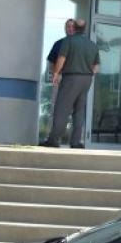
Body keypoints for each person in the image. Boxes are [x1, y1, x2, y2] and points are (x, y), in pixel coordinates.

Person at [42, 18, 100, 149]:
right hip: (86, 80)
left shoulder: (68, 41)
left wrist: (56, 73)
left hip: (70, 78)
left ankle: (53, 140)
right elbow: (96, 66)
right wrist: (88, 74)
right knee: (79, 111)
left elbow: (61, 59)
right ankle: (75, 142)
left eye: (71, 26)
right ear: (84, 29)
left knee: (62, 109)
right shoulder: (92, 44)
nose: (69, 29)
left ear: (75, 28)